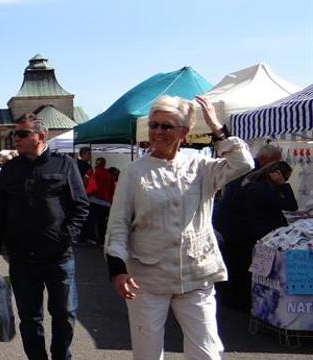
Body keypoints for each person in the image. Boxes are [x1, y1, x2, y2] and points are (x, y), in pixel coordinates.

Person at [105, 95, 254, 360]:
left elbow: (243, 164)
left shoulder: (201, 167)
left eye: (166, 126)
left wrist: (218, 130)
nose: (158, 132)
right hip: (148, 278)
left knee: (207, 352)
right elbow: (118, 224)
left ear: (184, 132)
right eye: (154, 125)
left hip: (197, 273)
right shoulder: (134, 172)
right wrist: (117, 269)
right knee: (147, 353)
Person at [0, 113, 89, 360]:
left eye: (22, 134)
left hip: (58, 257)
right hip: (22, 258)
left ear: (41, 137)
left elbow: (81, 207)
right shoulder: (9, 170)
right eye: (14, 134)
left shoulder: (64, 165)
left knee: (65, 313)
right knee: (30, 318)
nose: (16, 139)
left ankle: (61, 355)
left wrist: (67, 236)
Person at [213, 144, 282, 310]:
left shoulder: (249, 169)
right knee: (239, 263)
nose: (277, 167)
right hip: (238, 226)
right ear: (265, 159)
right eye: (275, 162)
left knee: (234, 262)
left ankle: (231, 298)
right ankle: (237, 301)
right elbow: (250, 201)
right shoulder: (253, 172)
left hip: (230, 223)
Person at [86, 157, 116, 245]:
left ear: (96, 163)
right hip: (105, 203)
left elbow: (84, 183)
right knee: (102, 222)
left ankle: (91, 238)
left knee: (90, 220)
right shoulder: (109, 175)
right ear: (104, 164)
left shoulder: (91, 172)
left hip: (92, 200)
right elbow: (112, 189)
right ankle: (102, 240)